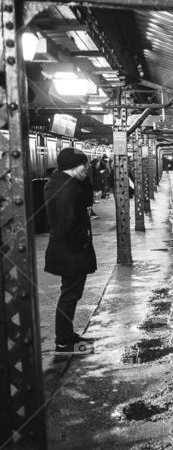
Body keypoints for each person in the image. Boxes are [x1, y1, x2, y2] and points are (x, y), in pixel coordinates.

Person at [44, 149, 97, 355]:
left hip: (65, 249)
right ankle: (64, 342)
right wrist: (83, 242)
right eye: (84, 165)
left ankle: (67, 336)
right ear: (74, 166)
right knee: (69, 296)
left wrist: (83, 181)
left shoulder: (61, 183)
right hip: (70, 252)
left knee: (70, 294)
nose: (87, 169)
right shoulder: (67, 189)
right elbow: (68, 225)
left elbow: (86, 199)